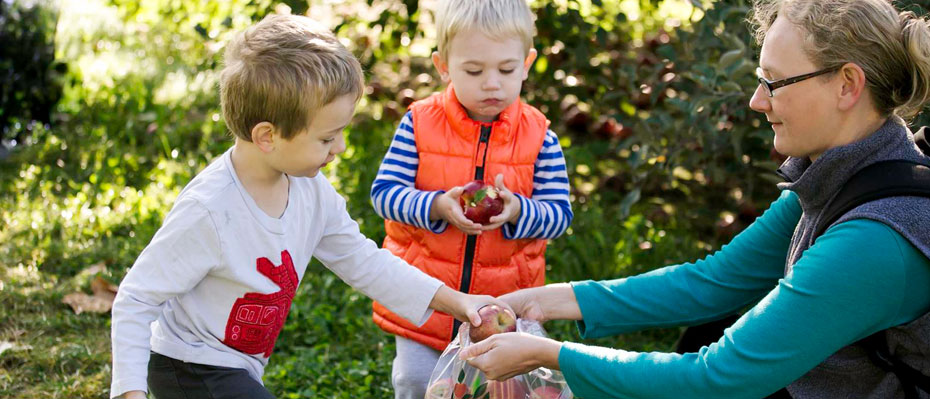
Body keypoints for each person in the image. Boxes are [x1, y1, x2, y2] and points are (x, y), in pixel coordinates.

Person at [459, 0, 930, 398]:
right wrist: (538, 300)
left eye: (774, 81)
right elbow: (714, 280)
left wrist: (550, 355)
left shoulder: (874, 240)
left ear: (847, 85)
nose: (756, 101)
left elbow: (718, 378)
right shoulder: (841, 177)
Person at [109, 13, 510, 399]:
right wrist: (130, 391)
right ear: (267, 136)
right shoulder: (210, 210)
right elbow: (137, 298)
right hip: (187, 365)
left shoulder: (310, 191)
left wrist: (458, 302)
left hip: (239, 364)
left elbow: (365, 262)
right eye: (326, 138)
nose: (339, 148)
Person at [367, 0, 573, 397]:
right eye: (474, 71)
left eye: (507, 69)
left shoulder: (540, 137)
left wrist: (516, 210)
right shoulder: (418, 124)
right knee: (415, 382)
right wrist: (437, 206)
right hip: (427, 303)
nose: (491, 83)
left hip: (503, 307)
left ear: (527, 63)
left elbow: (559, 215)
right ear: (444, 66)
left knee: (508, 390)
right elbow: (384, 195)